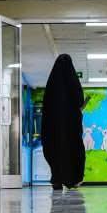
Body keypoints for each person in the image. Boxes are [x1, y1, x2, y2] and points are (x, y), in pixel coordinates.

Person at [41, 54, 85, 190]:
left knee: (54, 149)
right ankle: (72, 179)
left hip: (53, 126)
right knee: (73, 149)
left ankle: (57, 178)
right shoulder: (74, 84)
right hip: (71, 125)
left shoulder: (51, 86)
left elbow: (45, 107)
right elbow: (79, 102)